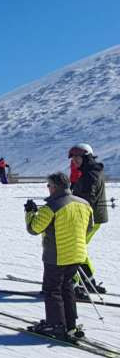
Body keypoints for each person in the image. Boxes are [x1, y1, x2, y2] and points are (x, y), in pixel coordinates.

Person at [24, 172, 93, 338]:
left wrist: (30, 213)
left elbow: (34, 229)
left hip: (57, 256)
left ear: (55, 187)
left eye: (49, 185)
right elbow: (89, 228)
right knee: (67, 287)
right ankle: (70, 323)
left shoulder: (52, 207)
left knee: (52, 289)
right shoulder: (84, 204)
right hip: (77, 254)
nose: (48, 188)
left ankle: (55, 325)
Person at [68, 143, 108, 293]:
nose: (74, 161)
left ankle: (74, 283)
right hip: (92, 217)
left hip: (90, 218)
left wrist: (71, 202)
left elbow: (87, 198)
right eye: (73, 158)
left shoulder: (90, 174)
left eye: (77, 157)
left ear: (86, 157)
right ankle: (88, 281)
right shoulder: (89, 171)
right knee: (79, 248)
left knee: (74, 249)